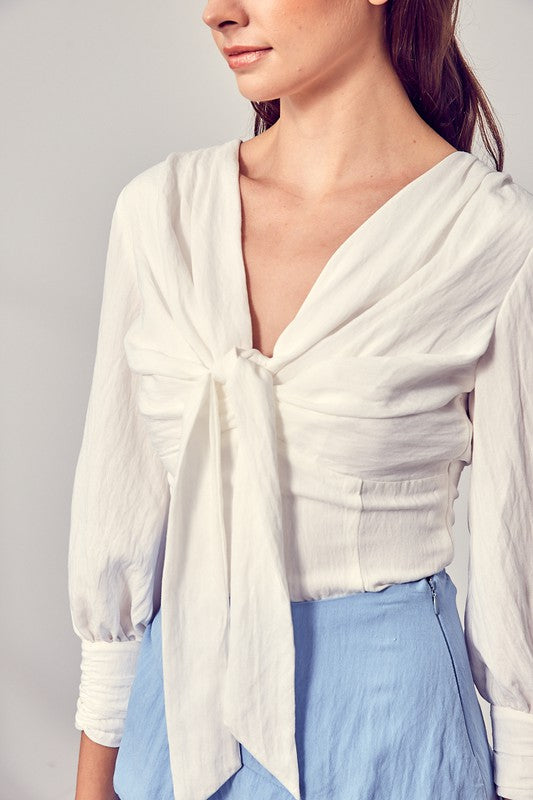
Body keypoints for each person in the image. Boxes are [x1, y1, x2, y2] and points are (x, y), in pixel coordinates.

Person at [69, 1, 533, 799]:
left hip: (394, 734)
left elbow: (513, 551)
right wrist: (92, 778)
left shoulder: (487, 238)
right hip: (174, 721)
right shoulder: (161, 215)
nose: (218, 12)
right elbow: (119, 510)